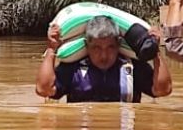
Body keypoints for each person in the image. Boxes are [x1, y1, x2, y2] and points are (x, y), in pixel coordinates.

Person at [36, 15, 172, 103]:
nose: (104, 56)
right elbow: (43, 89)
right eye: (96, 48)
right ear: (86, 46)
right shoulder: (73, 68)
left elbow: (163, 90)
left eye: (110, 47)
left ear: (118, 45)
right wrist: (51, 49)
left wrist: (155, 51)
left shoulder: (133, 66)